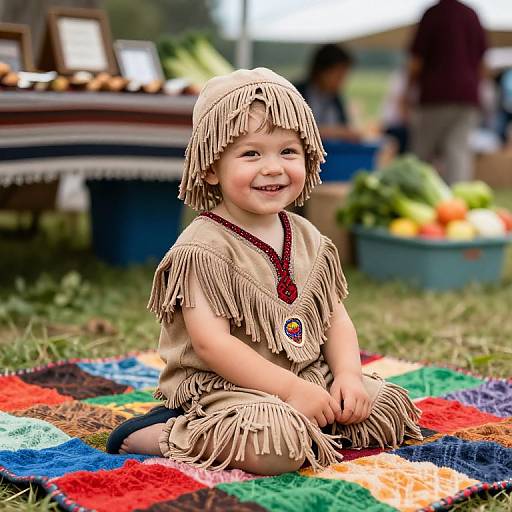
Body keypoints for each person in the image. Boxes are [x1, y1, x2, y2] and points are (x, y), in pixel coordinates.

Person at [106, 68, 422, 475]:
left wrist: (347, 376)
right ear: (210, 168)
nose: (273, 167)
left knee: (383, 410)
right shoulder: (203, 248)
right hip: (225, 389)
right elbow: (212, 346)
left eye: (288, 152)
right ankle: (167, 433)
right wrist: (290, 391)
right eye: (251, 153)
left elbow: (336, 320)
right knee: (277, 447)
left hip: (304, 372)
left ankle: (315, 420)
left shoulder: (309, 237)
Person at [404, 0, 488, 184]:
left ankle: (417, 195)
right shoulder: (471, 15)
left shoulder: (433, 14)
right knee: (458, 153)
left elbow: (416, 61)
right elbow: (482, 63)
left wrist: (406, 93)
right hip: (467, 97)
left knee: (421, 154)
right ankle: (456, 202)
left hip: (436, 97)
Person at [296, 44, 362, 142]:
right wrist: (338, 132)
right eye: (338, 75)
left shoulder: (336, 100)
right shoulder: (295, 94)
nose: (342, 81)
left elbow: (345, 128)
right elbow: (294, 130)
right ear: (322, 71)